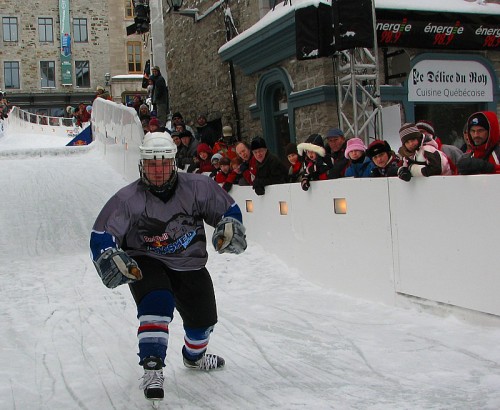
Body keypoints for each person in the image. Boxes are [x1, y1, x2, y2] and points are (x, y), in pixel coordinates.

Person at [90, 133, 247, 403]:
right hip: (146, 261)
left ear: (173, 163)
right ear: (142, 165)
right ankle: (153, 368)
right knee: (157, 304)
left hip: (190, 262)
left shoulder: (198, 187)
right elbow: (102, 233)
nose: (158, 170)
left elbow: (227, 210)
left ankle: (194, 358)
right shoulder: (128, 199)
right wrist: (107, 253)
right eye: (152, 164)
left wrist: (229, 224)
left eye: (163, 163)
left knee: (203, 322)